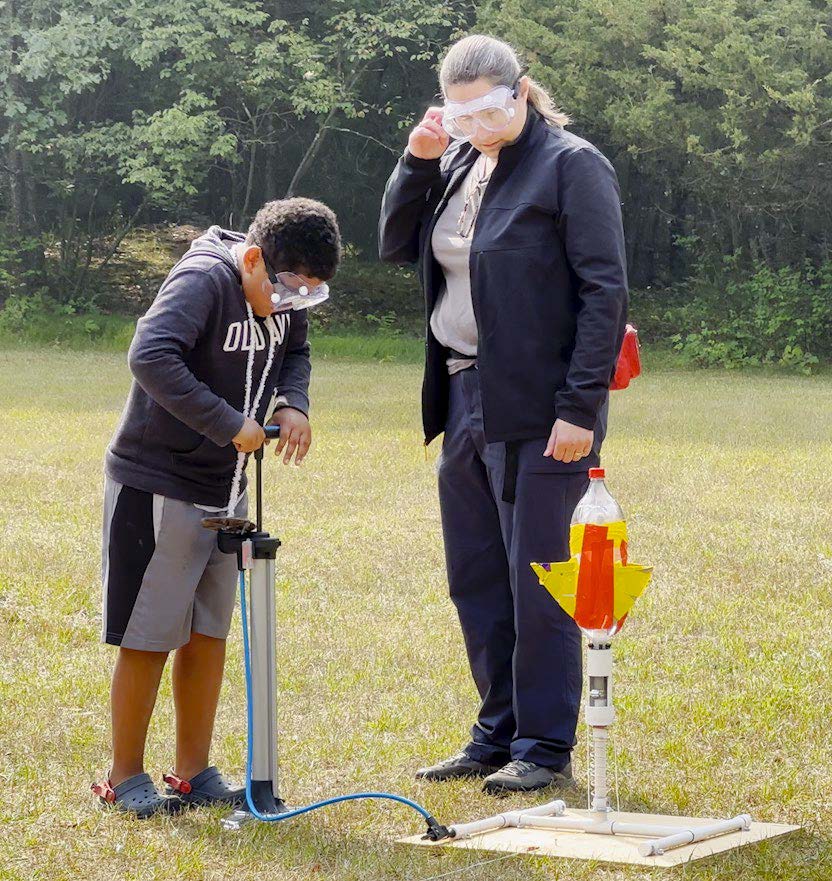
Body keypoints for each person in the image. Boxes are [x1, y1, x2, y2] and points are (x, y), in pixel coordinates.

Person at [379, 34, 627, 794]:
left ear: (520, 93)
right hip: (461, 393)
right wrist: (419, 158)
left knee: (539, 576)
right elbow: (396, 246)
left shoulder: (572, 166)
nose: (476, 127)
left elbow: (604, 292)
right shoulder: (455, 160)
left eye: (487, 111)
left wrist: (580, 406)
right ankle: (495, 732)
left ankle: (545, 745)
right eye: (459, 117)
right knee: (477, 574)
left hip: (542, 404)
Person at [93, 198, 342, 817]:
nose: (293, 304)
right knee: (151, 633)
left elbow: (296, 351)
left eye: (310, 295)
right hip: (159, 482)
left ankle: (192, 770)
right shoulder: (203, 279)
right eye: (287, 289)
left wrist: (292, 402)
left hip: (226, 488)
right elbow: (149, 357)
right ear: (254, 259)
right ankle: (124, 776)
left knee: (208, 632)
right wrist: (229, 423)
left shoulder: (285, 296)